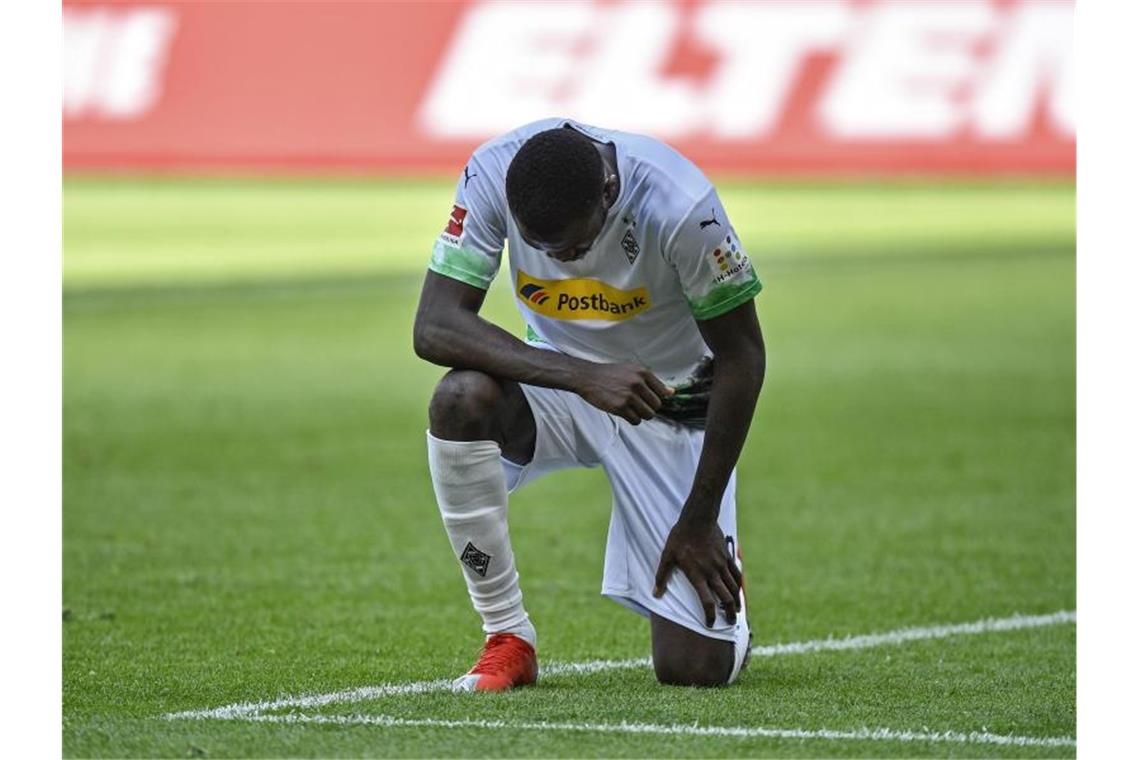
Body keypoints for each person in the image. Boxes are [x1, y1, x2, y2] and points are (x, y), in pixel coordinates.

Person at [412, 118, 766, 690]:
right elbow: (434, 325)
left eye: (576, 245)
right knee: (459, 399)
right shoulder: (491, 173)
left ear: (609, 191)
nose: (565, 259)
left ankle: (723, 556)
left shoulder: (683, 207)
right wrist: (585, 377)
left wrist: (698, 518)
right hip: (564, 381)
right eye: (546, 249)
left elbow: (743, 357)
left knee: (694, 670)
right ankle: (507, 634)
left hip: (670, 402)